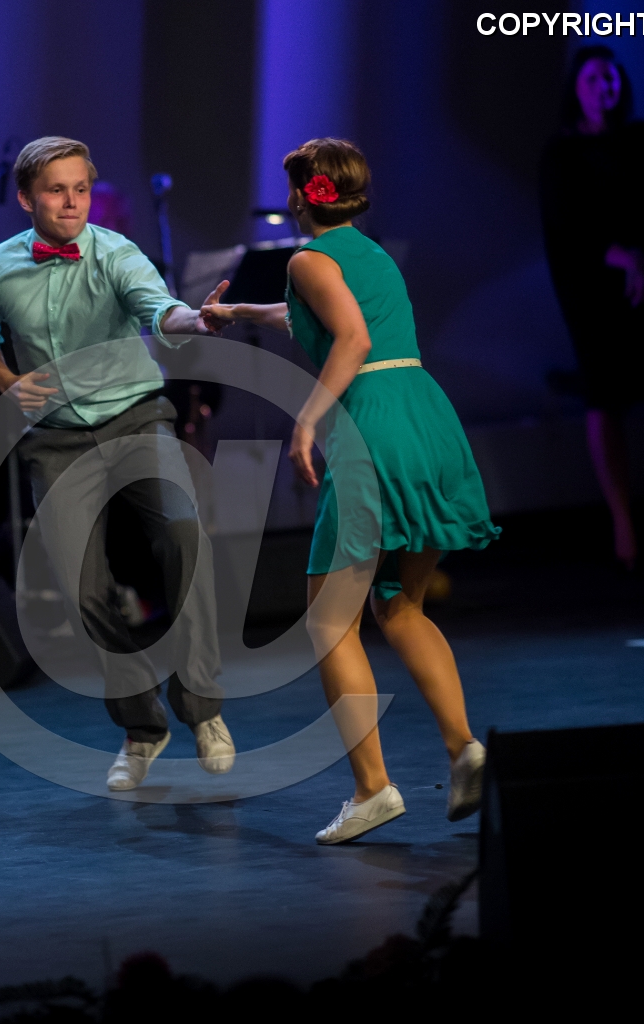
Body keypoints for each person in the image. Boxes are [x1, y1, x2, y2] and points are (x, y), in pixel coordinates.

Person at [202, 138, 500, 843]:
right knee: (400, 605)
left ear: (302, 195)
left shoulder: (307, 259)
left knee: (330, 622)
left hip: (372, 427)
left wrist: (308, 420)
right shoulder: (366, 254)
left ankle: (372, 788)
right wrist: (239, 313)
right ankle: (464, 749)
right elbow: (314, 316)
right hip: (423, 417)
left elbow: (352, 338)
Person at [0, 136, 235, 791]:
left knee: (183, 534)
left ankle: (203, 710)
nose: (71, 202)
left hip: (136, 419)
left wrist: (196, 321)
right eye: (56, 190)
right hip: (56, 440)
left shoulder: (115, 253)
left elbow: (158, 309)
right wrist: (7, 382)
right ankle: (142, 729)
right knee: (83, 589)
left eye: (80, 189)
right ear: (26, 199)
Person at [540, 47, 644, 571]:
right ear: (577, 88)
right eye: (593, 80)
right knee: (604, 392)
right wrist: (626, 261)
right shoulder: (562, 154)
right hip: (593, 287)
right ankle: (623, 522)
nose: (603, 88)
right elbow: (568, 227)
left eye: (610, 78)